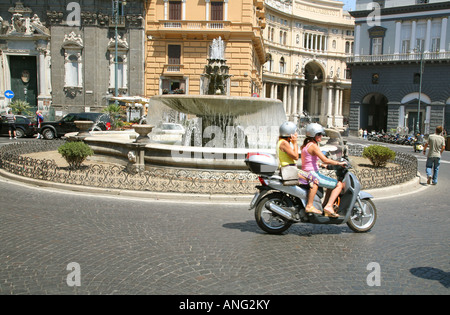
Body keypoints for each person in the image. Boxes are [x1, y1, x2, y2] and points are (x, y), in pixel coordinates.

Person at [301, 123, 347, 218]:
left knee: (331, 184)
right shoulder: (313, 146)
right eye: (319, 134)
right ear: (314, 135)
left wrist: (322, 165)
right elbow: (325, 159)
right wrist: (339, 163)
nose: (321, 136)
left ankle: (324, 206)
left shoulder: (306, 145)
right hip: (313, 174)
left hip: (308, 172)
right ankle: (329, 206)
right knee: (338, 184)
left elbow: (309, 161)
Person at [277, 121, 321, 214]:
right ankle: (309, 206)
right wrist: (295, 142)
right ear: (289, 133)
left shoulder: (281, 141)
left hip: (288, 169)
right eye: (294, 132)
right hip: (289, 170)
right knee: (315, 180)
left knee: (307, 180)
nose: (296, 134)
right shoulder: (284, 143)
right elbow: (296, 156)